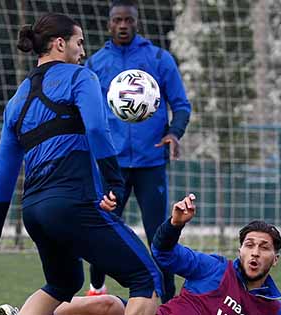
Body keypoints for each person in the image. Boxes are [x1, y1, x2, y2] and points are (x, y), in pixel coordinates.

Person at [0, 13, 162, 315]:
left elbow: (3, 172)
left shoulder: (16, 100)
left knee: (63, 283)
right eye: (79, 42)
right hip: (72, 203)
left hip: (33, 211)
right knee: (147, 279)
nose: (83, 52)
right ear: (60, 44)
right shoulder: (81, 77)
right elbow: (98, 130)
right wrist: (114, 181)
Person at [0, 194, 281, 315]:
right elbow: (163, 254)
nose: (254, 252)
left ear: (275, 258)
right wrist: (174, 225)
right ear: (240, 249)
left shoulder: (274, 309)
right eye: (249, 244)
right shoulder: (214, 268)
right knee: (107, 303)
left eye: (263, 248)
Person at [84, 0, 192, 302]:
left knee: (161, 233)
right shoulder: (95, 64)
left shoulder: (158, 59)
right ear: (109, 24)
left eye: (128, 20)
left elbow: (181, 105)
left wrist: (174, 132)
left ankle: (168, 299)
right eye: (117, 20)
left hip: (150, 162)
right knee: (102, 225)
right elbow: (87, 112)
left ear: (136, 22)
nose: (122, 25)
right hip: (111, 164)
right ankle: (96, 287)